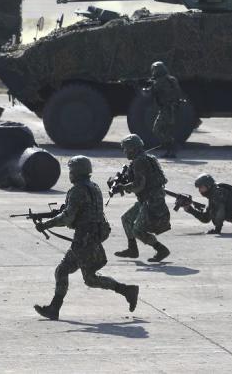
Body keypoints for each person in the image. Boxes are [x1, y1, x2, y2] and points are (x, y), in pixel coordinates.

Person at [33, 156, 140, 321]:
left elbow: (68, 217)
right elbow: (85, 211)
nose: (70, 174)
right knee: (90, 278)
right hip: (94, 237)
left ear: (76, 171)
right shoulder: (94, 187)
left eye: (71, 170)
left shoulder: (77, 190)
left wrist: (46, 224)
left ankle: (54, 308)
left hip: (84, 239)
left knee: (62, 271)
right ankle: (127, 290)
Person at [114, 134, 172, 263]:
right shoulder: (148, 158)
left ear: (133, 149)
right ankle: (132, 249)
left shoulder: (140, 162)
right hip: (148, 200)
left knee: (137, 230)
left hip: (151, 202)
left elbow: (139, 185)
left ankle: (161, 249)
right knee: (126, 219)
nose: (125, 152)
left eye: (126, 149)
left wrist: (122, 187)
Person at [146, 61, 183, 158]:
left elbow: (149, 94)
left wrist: (140, 88)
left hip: (166, 109)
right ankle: (170, 151)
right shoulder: (171, 79)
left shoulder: (160, 82)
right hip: (173, 108)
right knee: (167, 131)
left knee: (157, 129)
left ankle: (173, 147)